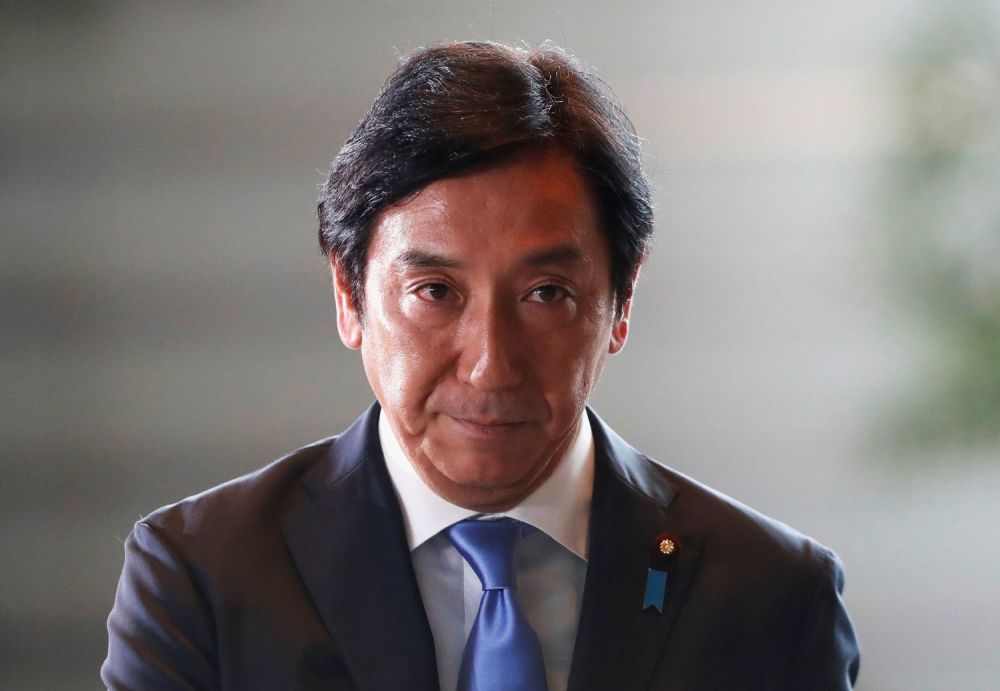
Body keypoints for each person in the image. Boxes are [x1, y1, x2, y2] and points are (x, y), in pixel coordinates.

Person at [102, 41, 860, 690]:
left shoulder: (772, 595)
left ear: (621, 302)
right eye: (435, 291)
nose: (491, 367)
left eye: (546, 293)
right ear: (349, 296)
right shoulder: (204, 575)